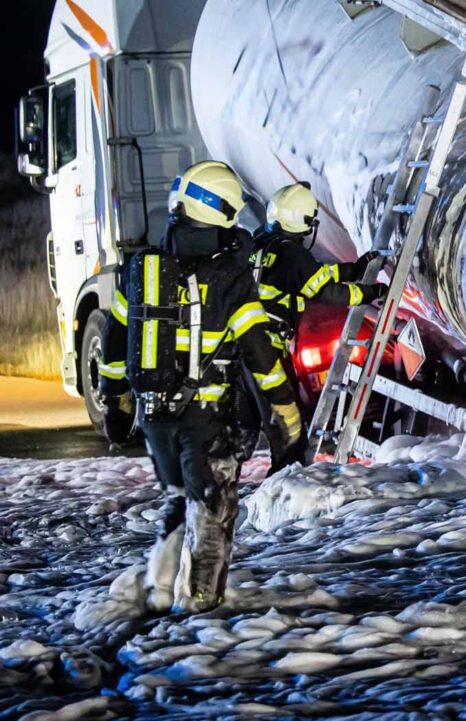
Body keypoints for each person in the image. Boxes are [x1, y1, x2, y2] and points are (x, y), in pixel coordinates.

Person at [99, 161, 302, 614]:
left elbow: (114, 343)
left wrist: (115, 401)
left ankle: (159, 588)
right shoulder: (230, 277)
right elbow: (260, 356)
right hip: (205, 418)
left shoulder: (142, 269)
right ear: (223, 211)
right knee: (212, 511)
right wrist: (284, 412)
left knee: (178, 497)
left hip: (154, 418)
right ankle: (200, 613)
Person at [238, 181, 385, 470]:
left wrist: (353, 269)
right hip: (267, 351)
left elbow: (311, 273)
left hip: (244, 349)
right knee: (288, 428)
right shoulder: (292, 253)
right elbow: (325, 291)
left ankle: (224, 485)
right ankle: (285, 487)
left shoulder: (261, 244)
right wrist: (368, 293)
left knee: (256, 423)